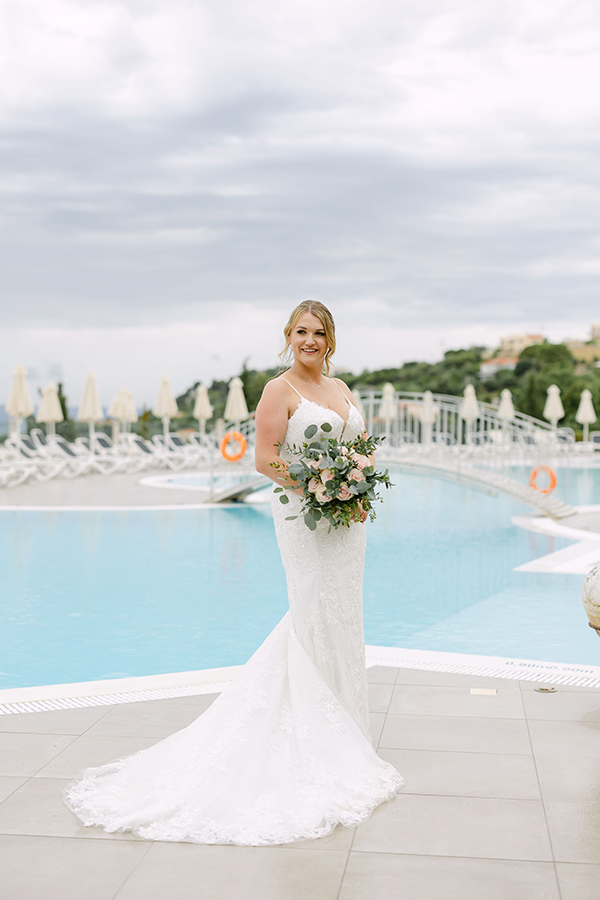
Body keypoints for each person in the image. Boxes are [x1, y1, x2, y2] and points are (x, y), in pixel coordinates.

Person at [64, 301, 403, 844]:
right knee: (312, 611)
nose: (310, 341)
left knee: (343, 613)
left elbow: (359, 449)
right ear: (288, 336)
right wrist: (321, 485)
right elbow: (265, 459)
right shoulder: (277, 390)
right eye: (301, 331)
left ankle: (346, 733)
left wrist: (354, 484)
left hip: (347, 523)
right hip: (304, 516)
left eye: (319, 333)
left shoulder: (340, 389)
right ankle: (313, 738)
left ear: (331, 339)